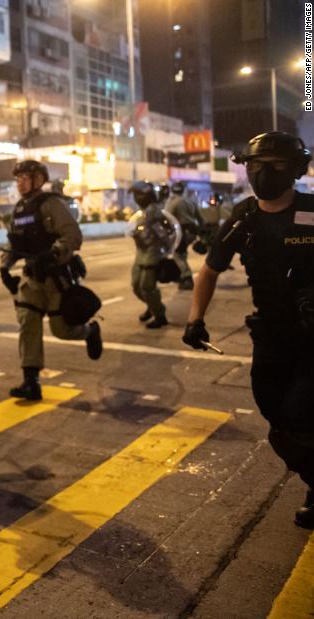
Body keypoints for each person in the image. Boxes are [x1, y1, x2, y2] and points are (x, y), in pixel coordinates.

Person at [184, 131, 314, 529]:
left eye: (274, 167)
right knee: (277, 418)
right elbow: (208, 271)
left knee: (298, 414)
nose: (263, 174)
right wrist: (195, 320)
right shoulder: (243, 217)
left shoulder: (312, 210)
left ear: (295, 170)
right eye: (256, 166)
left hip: (313, 338)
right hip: (271, 335)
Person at [0, 160, 103, 401]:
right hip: (32, 279)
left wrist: (54, 252)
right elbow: (14, 243)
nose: (20, 183)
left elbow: (72, 235)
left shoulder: (51, 204)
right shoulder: (19, 209)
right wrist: (5, 266)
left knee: (62, 330)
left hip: (56, 277)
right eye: (18, 179)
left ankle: (90, 331)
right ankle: (31, 382)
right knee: (28, 324)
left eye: (25, 177)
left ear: (38, 179)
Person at [128, 181, 171, 328]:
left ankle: (160, 315)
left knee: (147, 287)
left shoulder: (154, 211)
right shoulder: (144, 211)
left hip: (152, 254)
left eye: (137, 194)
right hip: (141, 253)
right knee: (136, 285)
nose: (135, 198)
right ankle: (152, 307)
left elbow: (161, 234)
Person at [164, 180, 203, 290]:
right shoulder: (190, 201)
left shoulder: (172, 202)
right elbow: (200, 219)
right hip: (192, 231)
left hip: (180, 231)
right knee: (182, 254)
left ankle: (187, 277)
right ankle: (184, 277)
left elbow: (167, 216)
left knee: (177, 255)